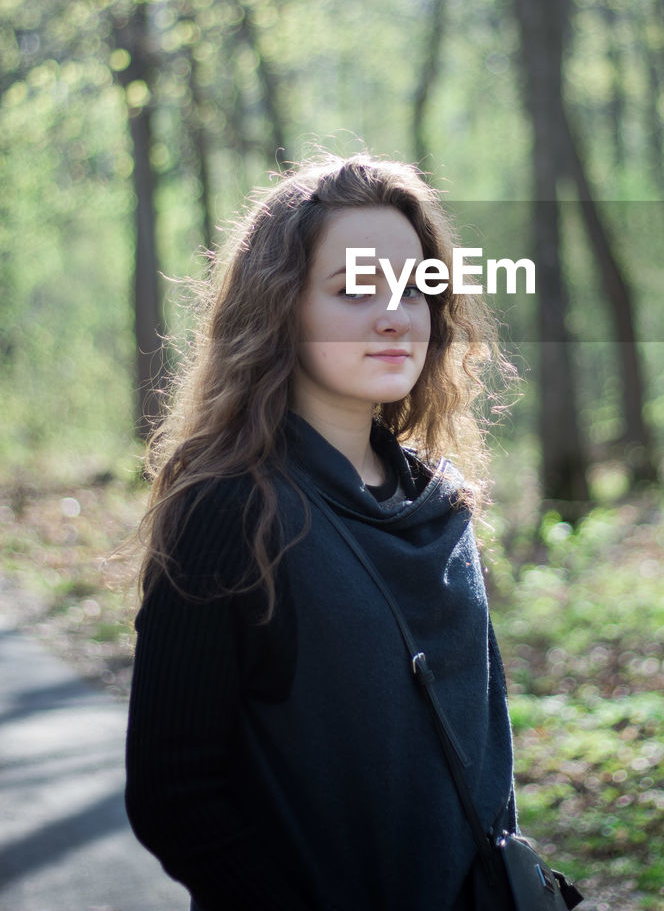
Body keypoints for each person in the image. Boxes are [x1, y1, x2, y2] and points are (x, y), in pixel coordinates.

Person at [125, 152, 519, 911]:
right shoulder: (228, 510)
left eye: (415, 287)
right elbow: (174, 794)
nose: (394, 314)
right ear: (281, 307)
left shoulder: (440, 504)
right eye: (354, 289)